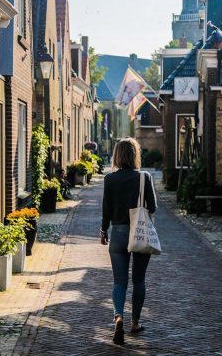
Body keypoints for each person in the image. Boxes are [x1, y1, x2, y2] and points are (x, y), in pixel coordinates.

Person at [100, 138, 157, 345]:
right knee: (139, 280)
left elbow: (106, 209)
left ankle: (118, 317)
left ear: (116, 155)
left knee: (119, 281)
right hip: (139, 232)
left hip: (118, 232)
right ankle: (134, 322)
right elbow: (152, 207)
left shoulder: (109, 179)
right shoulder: (144, 177)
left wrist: (103, 230)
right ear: (135, 155)